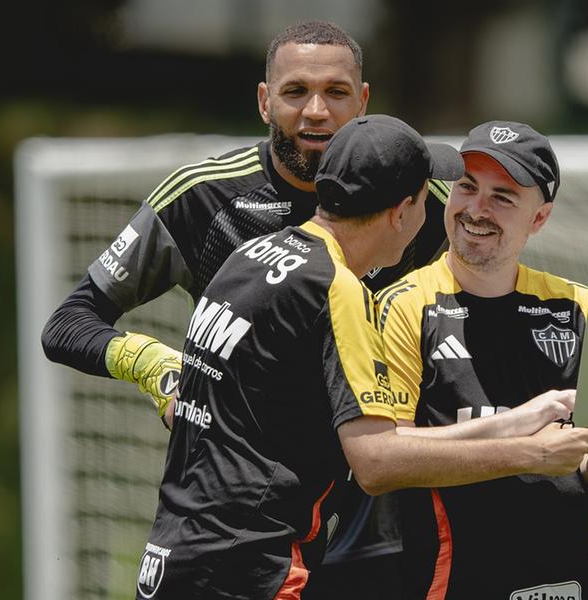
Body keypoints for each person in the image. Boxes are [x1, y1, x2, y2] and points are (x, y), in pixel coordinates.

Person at [135, 114, 588, 599]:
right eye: (429, 197)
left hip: (174, 554)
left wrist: (516, 421)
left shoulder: (253, 255)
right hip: (251, 568)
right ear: (402, 213)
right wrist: (533, 452)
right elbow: (377, 461)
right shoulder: (338, 290)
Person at [40, 20, 450, 426]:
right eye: (296, 91)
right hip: (241, 462)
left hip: (376, 455)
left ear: (362, 102)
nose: (316, 111)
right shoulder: (201, 197)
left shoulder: (420, 198)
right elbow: (70, 321)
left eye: (336, 92)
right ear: (264, 101)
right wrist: (158, 368)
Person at [377, 121, 588, 600]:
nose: (476, 209)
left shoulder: (578, 306)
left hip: (571, 580)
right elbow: (387, 456)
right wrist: (524, 438)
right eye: (467, 187)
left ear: (539, 218)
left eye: (502, 197)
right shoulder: (404, 305)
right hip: (450, 581)